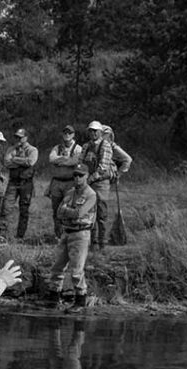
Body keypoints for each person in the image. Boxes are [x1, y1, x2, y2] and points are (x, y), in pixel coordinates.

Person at [47, 163, 97, 310]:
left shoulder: (91, 195)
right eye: (75, 175)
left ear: (86, 176)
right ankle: (54, 297)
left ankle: (80, 300)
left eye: (80, 175)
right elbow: (58, 212)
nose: (77, 178)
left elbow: (79, 213)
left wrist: (67, 211)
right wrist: (70, 211)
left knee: (76, 270)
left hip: (81, 234)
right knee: (57, 267)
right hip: (66, 232)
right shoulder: (70, 192)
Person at [80, 121, 114, 250]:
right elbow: (80, 163)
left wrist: (88, 179)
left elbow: (102, 168)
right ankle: (92, 242)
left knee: (101, 214)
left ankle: (102, 243)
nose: (93, 133)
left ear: (100, 132)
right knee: (89, 213)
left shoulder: (105, 146)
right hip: (88, 183)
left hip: (101, 184)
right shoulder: (85, 146)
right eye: (91, 131)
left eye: (95, 131)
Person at [46, 124, 83, 238]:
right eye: (65, 133)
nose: (67, 135)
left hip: (70, 182)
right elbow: (51, 159)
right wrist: (67, 160)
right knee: (56, 210)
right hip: (56, 182)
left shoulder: (78, 148)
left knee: (69, 209)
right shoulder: (57, 147)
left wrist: (62, 161)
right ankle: (58, 235)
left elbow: (76, 161)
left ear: (73, 134)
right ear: (62, 134)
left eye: (70, 133)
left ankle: (69, 235)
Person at [4, 127, 38, 239]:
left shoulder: (33, 150)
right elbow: (7, 162)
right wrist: (22, 162)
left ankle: (20, 236)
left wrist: (15, 159)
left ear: (26, 138)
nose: (18, 139)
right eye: (17, 137)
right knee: (6, 207)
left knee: (24, 209)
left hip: (26, 183)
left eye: (20, 137)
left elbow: (30, 162)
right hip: (13, 182)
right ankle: (3, 234)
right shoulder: (11, 149)